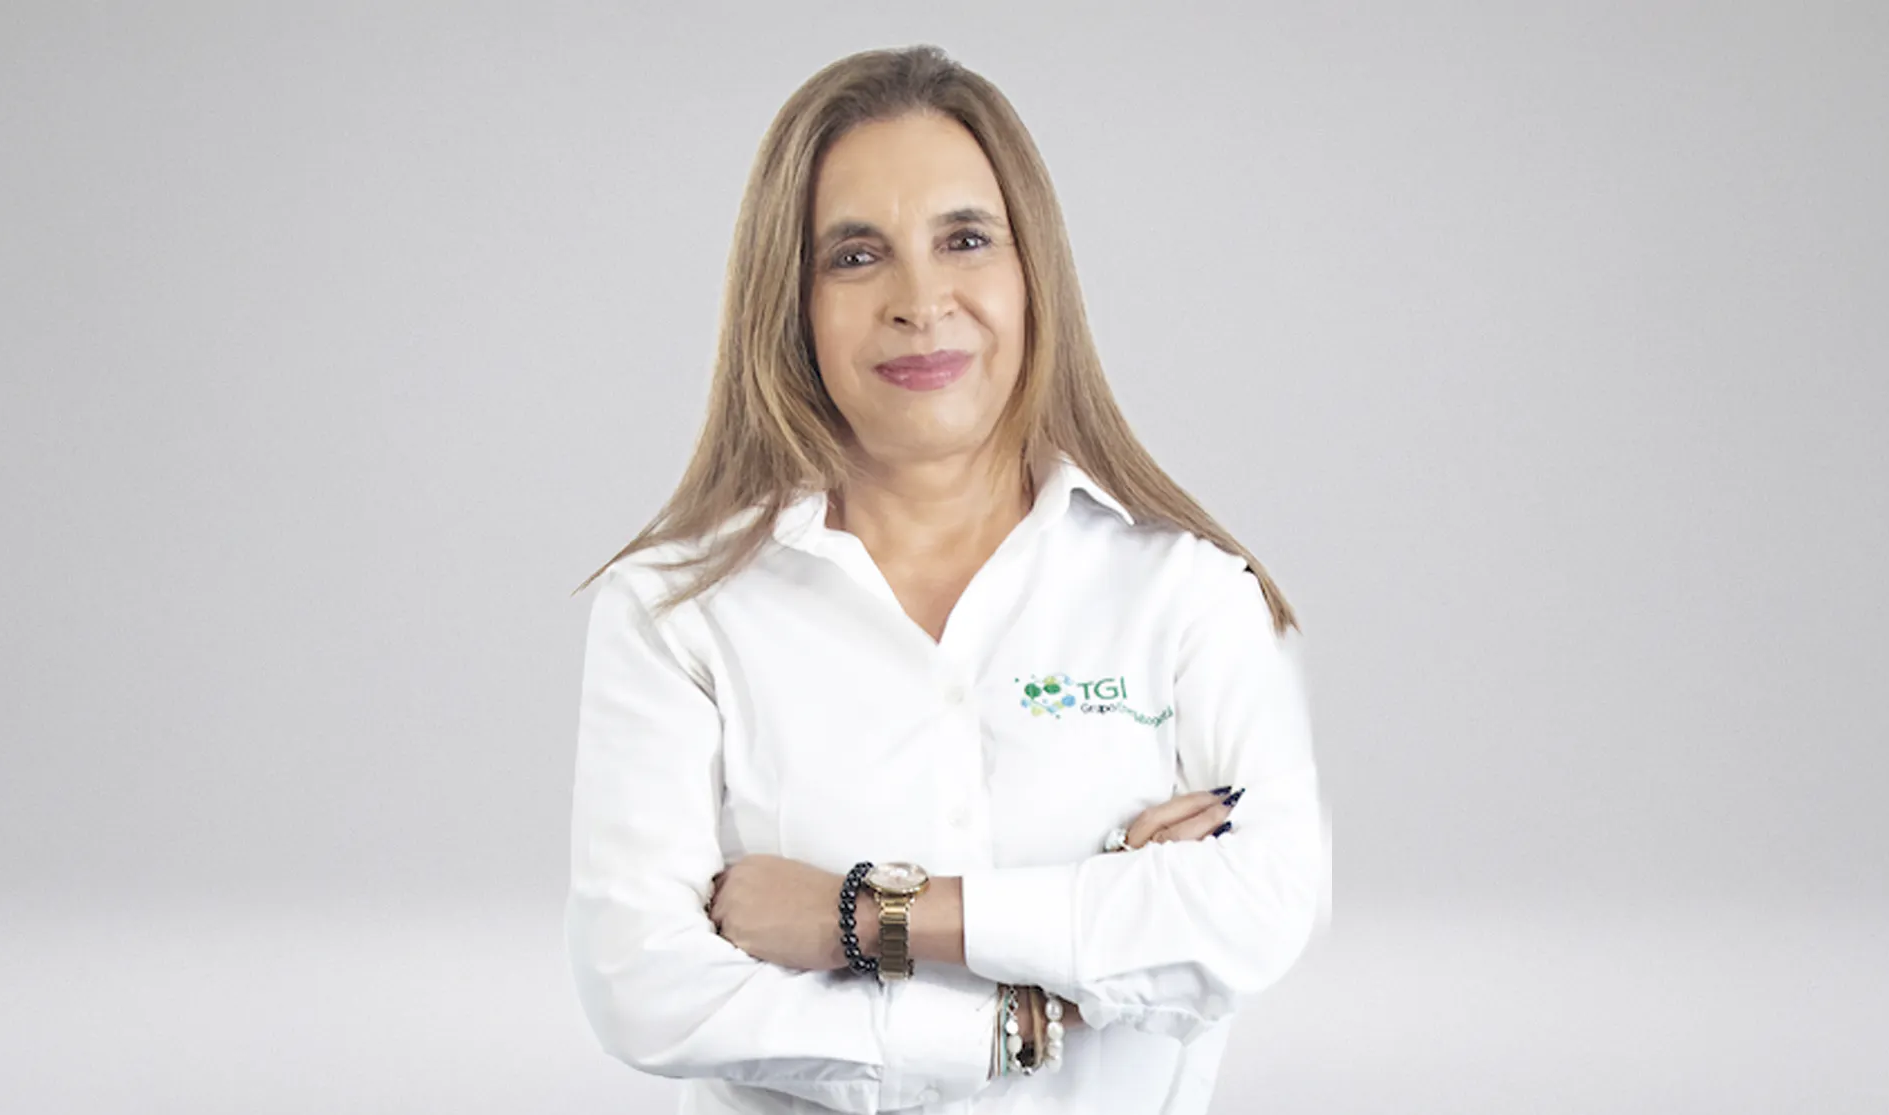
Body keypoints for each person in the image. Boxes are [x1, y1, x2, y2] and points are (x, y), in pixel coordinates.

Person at [564, 44, 1331, 1115]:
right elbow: (644, 987)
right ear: (789, 299)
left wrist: (860, 917)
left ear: (1032, 272)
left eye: (965, 239)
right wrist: (1029, 1004)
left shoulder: (1187, 594)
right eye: (855, 255)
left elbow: (1258, 912)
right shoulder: (675, 611)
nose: (921, 301)